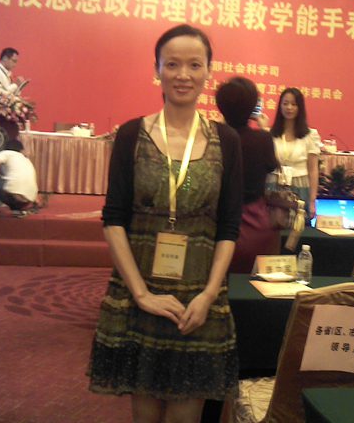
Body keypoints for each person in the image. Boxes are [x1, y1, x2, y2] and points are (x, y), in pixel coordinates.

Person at [88, 24, 243, 422]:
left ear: (209, 71)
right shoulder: (131, 135)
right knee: (145, 414)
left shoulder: (226, 141)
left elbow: (228, 226)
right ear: (157, 69)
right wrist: (141, 294)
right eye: (172, 64)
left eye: (194, 65)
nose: (183, 75)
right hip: (142, 292)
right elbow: (114, 219)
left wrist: (209, 295)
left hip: (198, 299)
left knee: (184, 417)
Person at [215, 76, 279, 274]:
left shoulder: (213, 136)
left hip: (216, 221)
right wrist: (264, 128)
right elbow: (271, 166)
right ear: (253, 106)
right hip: (254, 222)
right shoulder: (263, 138)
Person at [267, 87, 321, 221]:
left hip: (300, 186)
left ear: (300, 107)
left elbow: (313, 170)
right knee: (272, 225)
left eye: (293, 104)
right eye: (285, 103)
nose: (289, 108)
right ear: (280, 106)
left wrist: (313, 200)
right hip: (274, 185)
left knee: (297, 227)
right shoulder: (271, 134)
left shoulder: (310, 135)